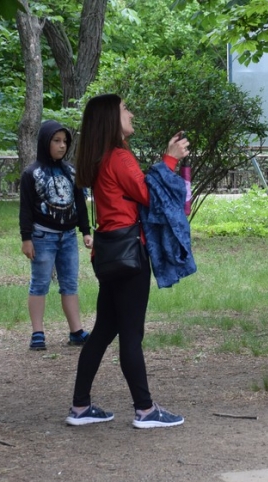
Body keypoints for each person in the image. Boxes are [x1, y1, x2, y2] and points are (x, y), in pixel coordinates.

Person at [67, 94, 190, 428]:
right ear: (110, 118)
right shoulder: (118, 158)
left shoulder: (101, 158)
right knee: (130, 334)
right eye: (125, 109)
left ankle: (80, 407)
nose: (131, 113)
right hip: (129, 256)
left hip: (110, 254)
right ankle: (146, 411)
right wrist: (170, 159)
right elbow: (149, 195)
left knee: (105, 330)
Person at [19, 120, 92, 351]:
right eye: (56, 141)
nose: (62, 146)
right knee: (39, 283)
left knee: (69, 283)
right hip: (43, 238)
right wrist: (26, 238)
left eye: (65, 142)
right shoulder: (32, 173)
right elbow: (26, 208)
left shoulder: (71, 171)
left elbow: (80, 203)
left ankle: (76, 331)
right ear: (45, 142)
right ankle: (37, 333)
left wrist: (86, 231)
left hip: (68, 237)